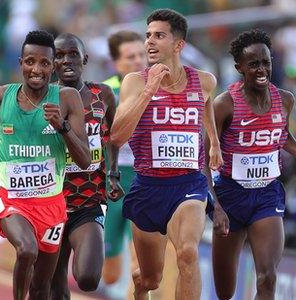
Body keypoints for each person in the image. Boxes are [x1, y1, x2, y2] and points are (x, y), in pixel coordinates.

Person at [0, 30, 92, 300]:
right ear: (21, 62)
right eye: (30, 61)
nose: (36, 69)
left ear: (53, 65)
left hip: (51, 205)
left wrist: (63, 127)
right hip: (12, 200)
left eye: (44, 63)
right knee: (26, 249)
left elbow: (84, 160)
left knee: (42, 287)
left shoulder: (67, 98)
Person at [110, 9, 222, 300]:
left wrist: (214, 143)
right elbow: (118, 136)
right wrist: (149, 91)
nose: (149, 41)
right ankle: (139, 288)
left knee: (187, 254)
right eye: (147, 35)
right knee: (150, 278)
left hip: (188, 184)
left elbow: (206, 103)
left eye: (158, 35)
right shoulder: (135, 82)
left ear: (178, 44)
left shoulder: (205, 81)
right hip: (148, 186)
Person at [207, 29, 296, 300]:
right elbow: (202, 159)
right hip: (230, 197)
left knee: (267, 277)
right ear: (239, 67)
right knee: (225, 292)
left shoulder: (285, 100)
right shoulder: (224, 104)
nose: (261, 69)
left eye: (266, 62)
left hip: (267, 195)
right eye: (253, 64)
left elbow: (285, 139)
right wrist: (216, 206)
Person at [48, 33, 123, 298]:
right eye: (59, 55)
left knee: (88, 278)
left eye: (73, 55)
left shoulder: (102, 94)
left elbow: (113, 136)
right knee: (54, 285)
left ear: (85, 59)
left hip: (87, 201)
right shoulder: (41, 98)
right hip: (49, 202)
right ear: (51, 61)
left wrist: (113, 174)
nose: (66, 61)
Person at [102, 30, 146, 286]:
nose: (139, 61)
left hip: (145, 182)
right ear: (117, 63)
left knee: (140, 266)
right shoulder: (105, 92)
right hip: (113, 185)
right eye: (131, 57)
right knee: (110, 275)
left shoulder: (158, 88)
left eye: (142, 54)